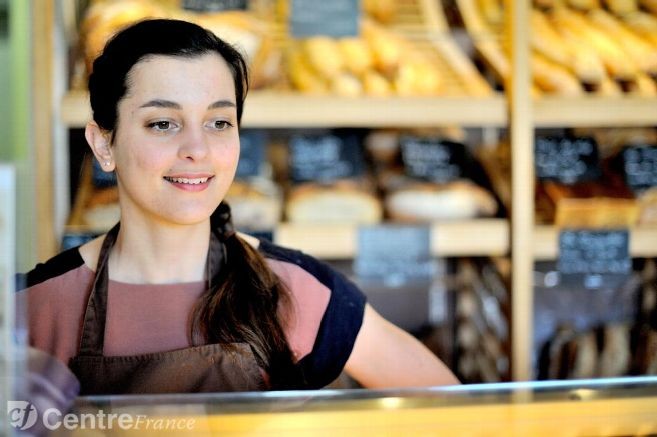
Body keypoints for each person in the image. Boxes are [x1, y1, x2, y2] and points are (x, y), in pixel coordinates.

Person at [16, 18, 458, 394]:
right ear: (103, 143)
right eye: (163, 123)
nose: (198, 149)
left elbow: (458, 412)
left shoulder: (293, 290)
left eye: (219, 122)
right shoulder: (34, 308)